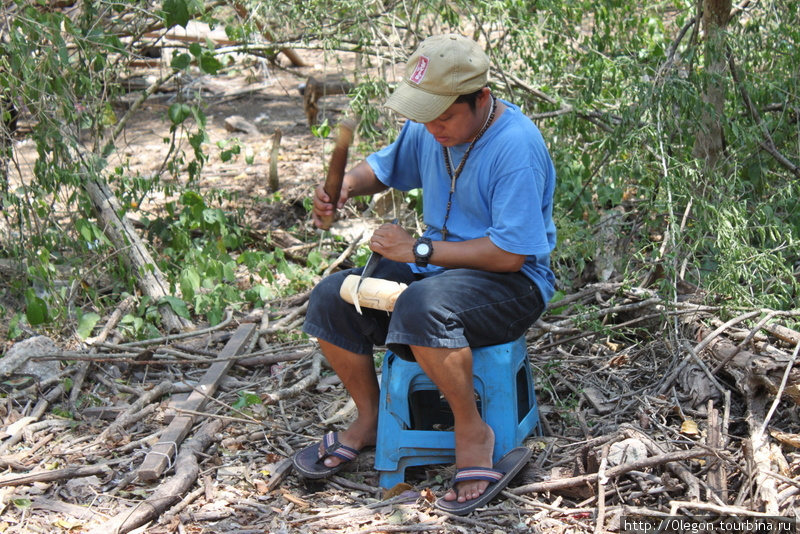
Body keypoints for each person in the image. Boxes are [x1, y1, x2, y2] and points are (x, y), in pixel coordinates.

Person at [293, 33, 557, 514]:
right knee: (334, 296)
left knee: (420, 306)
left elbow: (510, 255)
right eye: (426, 116)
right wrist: (346, 186)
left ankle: (472, 430)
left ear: (480, 99)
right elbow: (386, 167)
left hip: (512, 283)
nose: (434, 128)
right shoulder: (432, 127)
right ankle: (370, 418)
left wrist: (419, 248)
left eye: (445, 116)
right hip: (439, 269)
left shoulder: (515, 146)